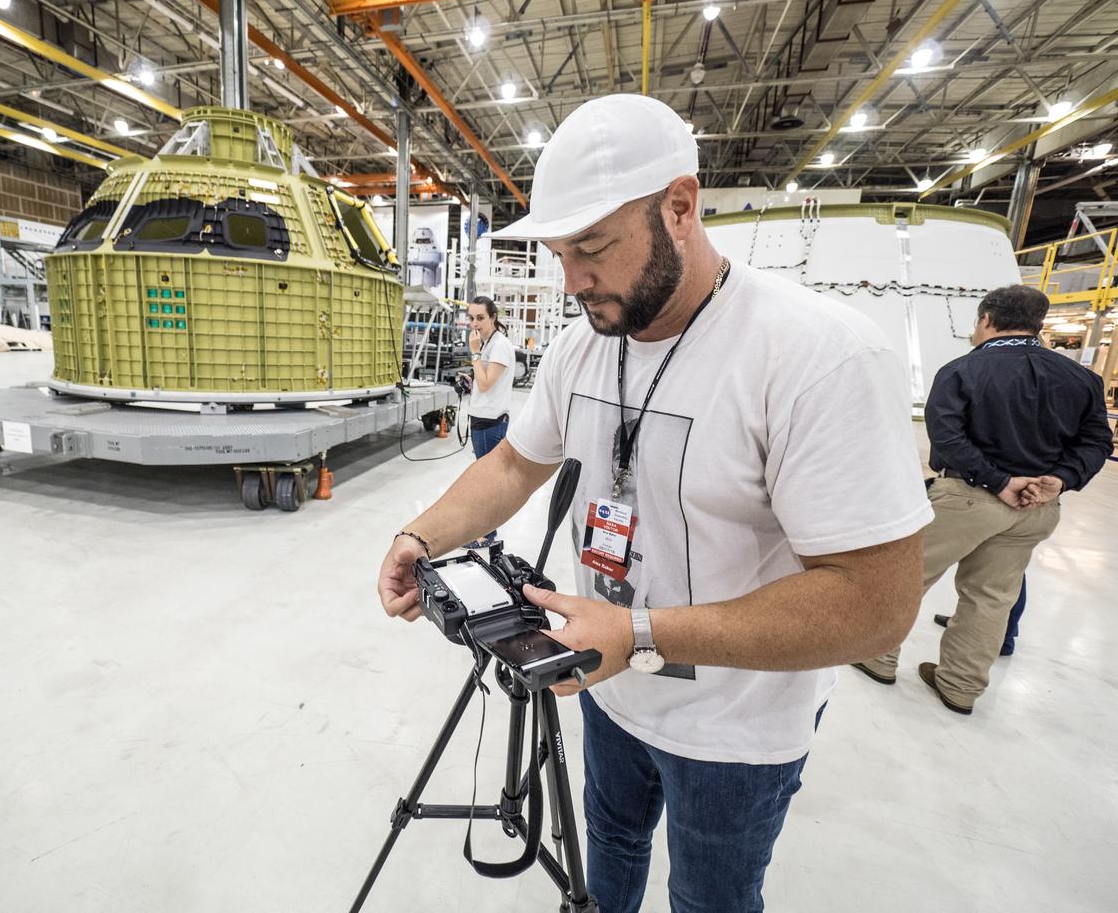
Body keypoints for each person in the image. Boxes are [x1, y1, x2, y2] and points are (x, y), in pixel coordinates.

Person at [377, 94, 933, 913]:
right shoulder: (581, 347)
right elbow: (511, 470)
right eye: (560, 252)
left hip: (736, 730)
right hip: (605, 687)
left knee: (710, 896)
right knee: (611, 850)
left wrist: (638, 634)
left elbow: (877, 604)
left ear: (680, 206)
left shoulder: (818, 355)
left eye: (592, 248)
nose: (573, 281)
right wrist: (417, 535)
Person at [853, 285, 1113, 713]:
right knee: (992, 597)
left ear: (986, 319)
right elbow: (1096, 442)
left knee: (903, 577)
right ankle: (959, 686)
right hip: (1036, 509)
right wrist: (1058, 480)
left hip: (967, 499)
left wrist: (998, 480)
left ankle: (877, 656)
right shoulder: (1082, 379)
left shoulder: (963, 371)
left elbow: (948, 438)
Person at [464, 295, 516, 548]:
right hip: (481, 419)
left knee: (488, 482)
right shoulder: (487, 344)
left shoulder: (499, 346)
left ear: (493, 317)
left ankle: (487, 535)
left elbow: (485, 384)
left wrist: (474, 355)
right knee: (483, 479)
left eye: (481, 318)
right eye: (471, 318)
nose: (475, 323)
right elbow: (482, 382)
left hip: (491, 423)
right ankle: (483, 531)